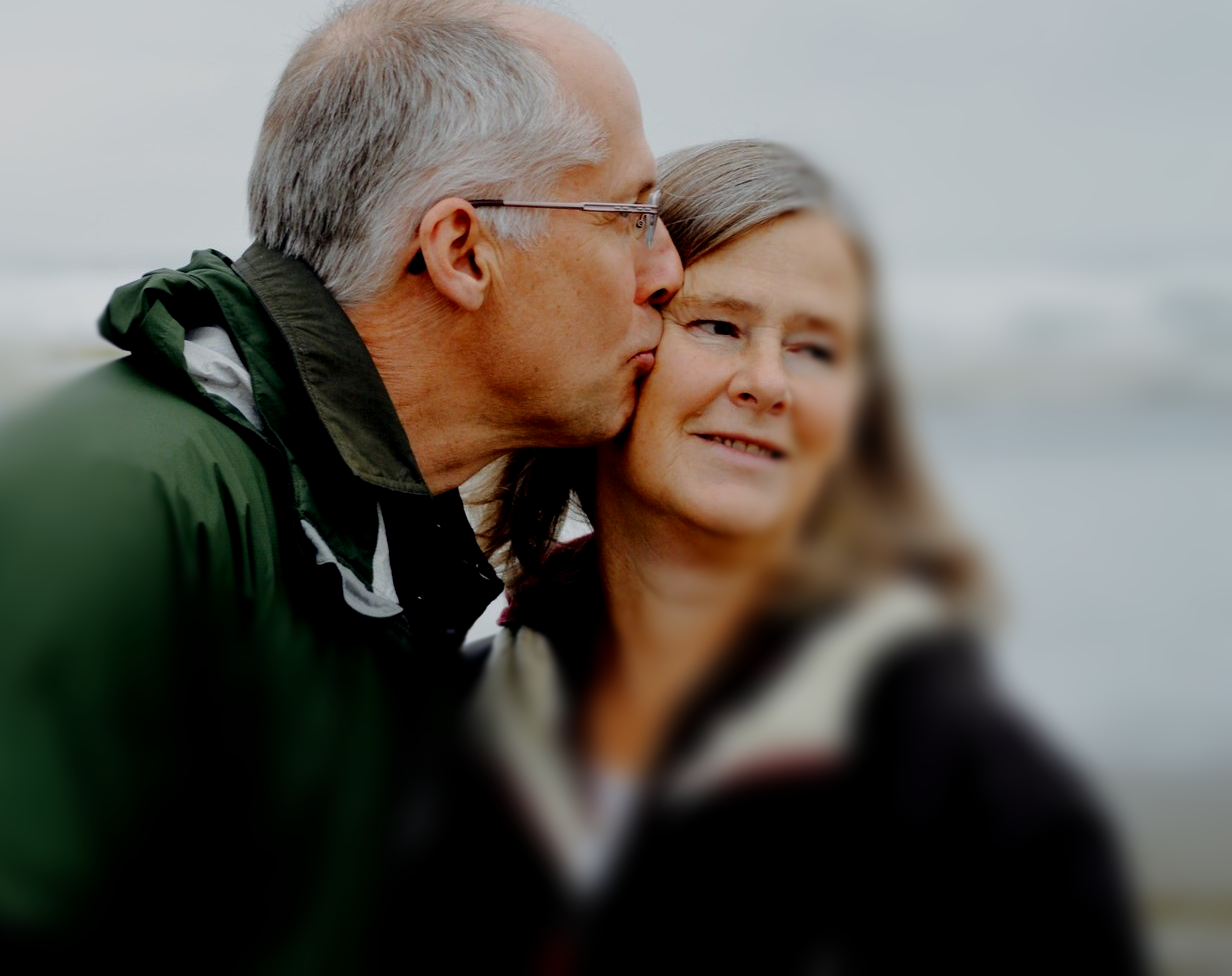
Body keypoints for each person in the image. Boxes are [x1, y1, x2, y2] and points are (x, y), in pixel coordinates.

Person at [0, 0, 683, 974]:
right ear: (461, 249)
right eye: (630, 214)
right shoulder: (106, 510)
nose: (666, 268)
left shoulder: (378, 539)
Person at [399, 139, 1145, 973]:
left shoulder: (967, 781)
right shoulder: (444, 720)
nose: (767, 382)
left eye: (815, 347)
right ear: (619, 342)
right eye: (718, 325)